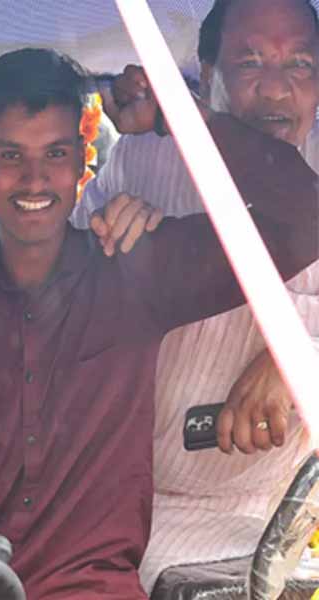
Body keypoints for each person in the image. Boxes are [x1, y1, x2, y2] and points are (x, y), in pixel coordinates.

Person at [0, 47, 319, 598]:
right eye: (12, 155)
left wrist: (177, 117)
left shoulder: (132, 269)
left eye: (55, 153)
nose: (34, 180)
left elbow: (306, 219)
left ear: (82, 160)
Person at [65, 0, 319, 589]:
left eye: (300, 65)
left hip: (284, 519)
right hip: (136, 507)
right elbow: (59, 298)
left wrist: (297, 360)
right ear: (206, 75)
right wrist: (113, 237)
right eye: (250, 63)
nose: (276, 89)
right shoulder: (142, 158)